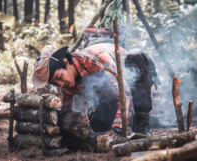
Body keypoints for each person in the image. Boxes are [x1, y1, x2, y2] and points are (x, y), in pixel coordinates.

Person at [32, 43, 160, 137]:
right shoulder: (63, 85)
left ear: (66, 63)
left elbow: (124, 94)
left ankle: (143, 122)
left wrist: (117, 129)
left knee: (135, 55)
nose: (60, 84)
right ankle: (137, 121)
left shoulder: (96, 60)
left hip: (132, 78)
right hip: (110, 97)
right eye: (55, 83)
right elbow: (64, 112)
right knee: (98, 129)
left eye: (59, 77)